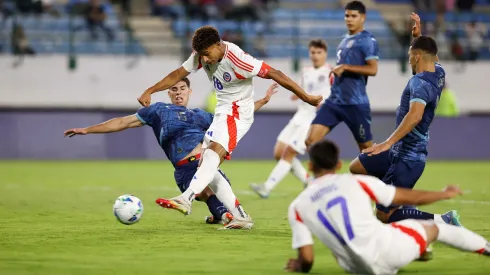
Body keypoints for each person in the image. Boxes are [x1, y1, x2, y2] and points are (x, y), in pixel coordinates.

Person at [137, 25, 322, 229]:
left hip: (238, 113)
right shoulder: (201, 54)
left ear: (218, 45)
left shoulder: (239, 60)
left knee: (211, 156)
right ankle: (240, 216)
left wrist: (306, 97)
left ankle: (186, 199)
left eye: (207, 54)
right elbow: (178, 73)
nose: (205, 60)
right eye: (202, 56)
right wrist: (151, 90)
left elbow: (275, 73)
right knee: (207, 166)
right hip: (222, 112)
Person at [64, 77, 278, 229]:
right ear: (169, 93)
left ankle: (211, 209)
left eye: (182, 89)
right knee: (208, 194)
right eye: (174, 89)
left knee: (206, 184)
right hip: (183, 169)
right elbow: (123, 122)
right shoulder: (158, 111)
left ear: (189, 92)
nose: (178, 93)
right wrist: (87, 130)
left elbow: (235, 116)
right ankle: (225, 215)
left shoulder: (200, 115)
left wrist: (262, 101)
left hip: (204, 160)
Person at [285, 140, 490, 274]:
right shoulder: (357, 182)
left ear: (310, 166)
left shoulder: (298, 206)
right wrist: (444, 193)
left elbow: (308, 260)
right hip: (391, 251)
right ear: (338, 165)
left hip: (357, 268)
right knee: (435, 229)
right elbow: (407, 196)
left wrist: (298, 265)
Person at [349, 13, 460, 227]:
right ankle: (398, 199)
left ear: (417, 57)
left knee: (384, 215)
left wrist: (386, 143)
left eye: (410, 55)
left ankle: (443, 220)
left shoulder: (419, 84)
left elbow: (415, 115)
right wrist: (418, 35)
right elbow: (428, 51)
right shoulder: (439, 71)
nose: (409, 58)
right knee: (357, 167)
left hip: (408, 158)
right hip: (397, 151)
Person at [250, 39, 332, 198]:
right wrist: (296, 95)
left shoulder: (330, 72)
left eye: (319, 52)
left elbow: (335, 93)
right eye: (313, 52)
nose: (315, 56)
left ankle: (267, 187)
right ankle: (308, 181)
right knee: (278, 152)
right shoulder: (306, 71)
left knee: (289, 152)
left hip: (313, 119)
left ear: (325, 54)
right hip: (299, 115)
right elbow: (303, 88)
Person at [305, 1, 378, 153]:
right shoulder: (344, 41)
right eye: (347, 16)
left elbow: (373, 69)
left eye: (354, 16)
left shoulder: (368, 41)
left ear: (363, 17)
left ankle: (379, 176)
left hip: (355, 103)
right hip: (334, 101)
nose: (349, 19)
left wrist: (345, 67)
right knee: (311, 141)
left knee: (366, 150)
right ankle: (327, 175)